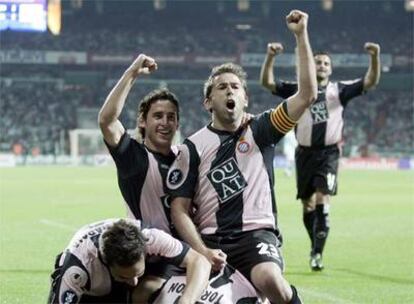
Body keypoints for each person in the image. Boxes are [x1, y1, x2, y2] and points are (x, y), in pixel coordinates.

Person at [166, 10, 317, 304]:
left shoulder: (262, 129)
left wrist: (300, 36)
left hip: (255, 236)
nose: (229, 91)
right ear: (208, 102)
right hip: (210, 239)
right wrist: (202, 251)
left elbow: (308, 94)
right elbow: (179, 209)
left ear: (245, 98)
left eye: (235, 86)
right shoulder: (192, 146)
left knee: (271, 281)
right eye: (222, 87)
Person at [260, 38, 381, 271]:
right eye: (317, 62)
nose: (322, 66)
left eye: (326, 63)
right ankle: (315, 243)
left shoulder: (340, 90)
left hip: (329, 153)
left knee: (321, 198)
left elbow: (370, 82)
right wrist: (270, 57)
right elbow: (268, 83)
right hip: (303, 154)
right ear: (310, 66)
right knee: (307, 205)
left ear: (331, 68)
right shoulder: (298, 90)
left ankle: (317, 253)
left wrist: (374, 57)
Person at [98, 54, 182, 301]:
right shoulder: (134, 158)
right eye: (158, 116)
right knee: (143, 294)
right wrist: (133, 72)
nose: (165, 122)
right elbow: (106, 120)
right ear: (142, 121)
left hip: (190, 251)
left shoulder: (187, 156)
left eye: (171, 117)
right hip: (150, 257)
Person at [47, 218, 210, 304]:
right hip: (90, 292)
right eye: (124, 277)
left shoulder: (150, 237)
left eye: (138, 273)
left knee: (146, 289)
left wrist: (186, 300)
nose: (133, 282)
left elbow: (199, 261)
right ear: (106, 262)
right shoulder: (77, 269)